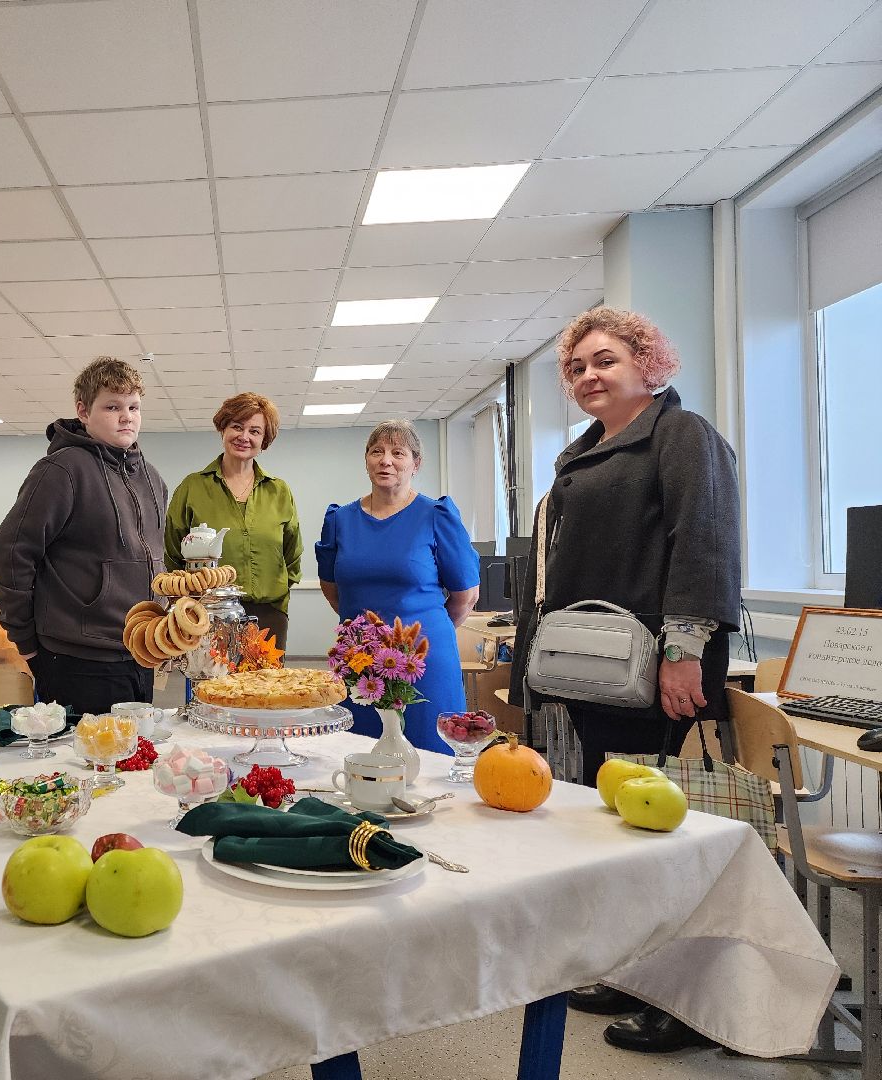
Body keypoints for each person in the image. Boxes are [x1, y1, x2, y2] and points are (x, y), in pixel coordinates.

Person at [510, 307, 741, 1054]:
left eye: (604, 360)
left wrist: (683, 651)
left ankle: (680, 995)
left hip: (655, 667)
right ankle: (633, 965)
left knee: (661, 834)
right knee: (615, 823)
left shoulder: (682, 435)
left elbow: (702, 540)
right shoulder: (583, 453)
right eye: (576, 367)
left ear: (649, 362)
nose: (587, 376)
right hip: (592, 667)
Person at [0, 356, 167, 715]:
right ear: (83, 412)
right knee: (84, 766)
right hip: (77, 659)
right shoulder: (60, 471)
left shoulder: (152, 477)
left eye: (133, 406)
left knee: (131, 765)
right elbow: (8, 558)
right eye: (112, 406)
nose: (126, 416)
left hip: (140, 654)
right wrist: (26, 642)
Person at [316, 420, 479, 751]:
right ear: (366, 460)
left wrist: (423, 634)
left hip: (424, 663)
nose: (385, 460)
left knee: (431, 756)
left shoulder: (437, 515)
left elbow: (465, 596)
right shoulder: (340, 520)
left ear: (415, 464)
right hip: (360, 662)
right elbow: (332, 588)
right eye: (376, 451)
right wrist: (363, 632)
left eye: (397, 453)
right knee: (360, 753)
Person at [164, 392, 301, 652]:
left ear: (264, 440)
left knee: (267, 690)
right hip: (207, 615)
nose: (244, 436)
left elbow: (292, 555)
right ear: (223, 429)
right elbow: (172, 552)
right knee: (211, 690)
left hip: (268, 616)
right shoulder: (192, 487)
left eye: (255, 431)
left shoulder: (279, 491)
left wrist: (276, 592)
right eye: (237, 426)